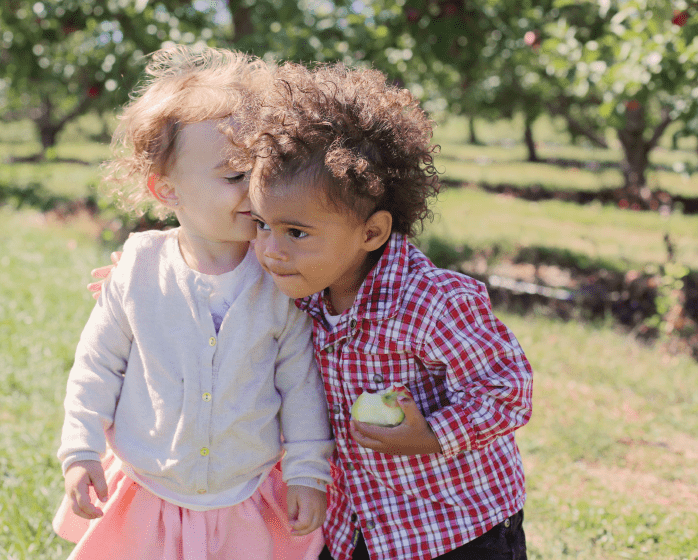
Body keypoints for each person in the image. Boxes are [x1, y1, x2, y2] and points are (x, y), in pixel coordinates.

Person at [228, 62, 534, 560]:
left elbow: (508, 388)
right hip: (360, 527)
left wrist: (431, 434)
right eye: (261, 224)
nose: (270, 251)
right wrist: (139, 276)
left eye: (296, 232)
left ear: (371, 232)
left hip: (457, 528)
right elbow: (217, 281)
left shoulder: (434, 303)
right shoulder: (296, 288)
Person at [54, 47, 333, 560]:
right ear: (167, 190)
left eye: (260, 170)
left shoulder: (281, 277)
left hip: (242, 494)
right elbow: (96, 367)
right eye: (232, 176)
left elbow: (300, 386)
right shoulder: (138, 270)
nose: (252, 188)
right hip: (150, 487)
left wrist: (308, 471)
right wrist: (80, 449)